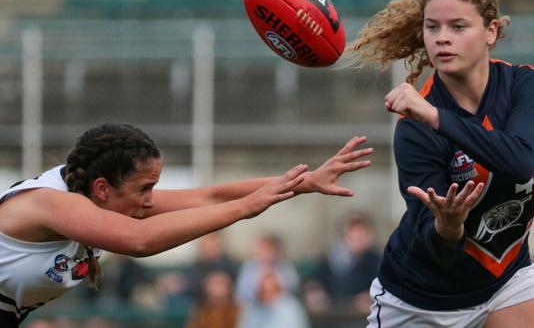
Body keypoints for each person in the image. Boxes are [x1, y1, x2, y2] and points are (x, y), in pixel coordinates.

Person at [347, 0, 534, 327]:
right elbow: (437, 249)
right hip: (420, 301)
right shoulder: (413, 128)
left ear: (491, 32)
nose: (442, 38)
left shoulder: (527, 86)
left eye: (458, 27)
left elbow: (521, 160)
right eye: (432, 27)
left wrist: (437, 117)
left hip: (506, 282)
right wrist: (450, 225)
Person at [0, 122, 373, 326]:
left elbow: (209, 197)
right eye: (144, 188)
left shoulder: (104, 199)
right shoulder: (51, 203)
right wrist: (246, 208)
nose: (151, 200)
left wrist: (303, 183)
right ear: (101, 188)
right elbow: (139, 240)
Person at [303, 212, 382, 314]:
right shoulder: (331, 256)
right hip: (332, 313)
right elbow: (315, 280)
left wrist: (371, 296)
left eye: (361, 233)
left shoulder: (376, 259)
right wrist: (314, 290)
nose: (357, 237)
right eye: (353, 233)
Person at [238, 267, 311, 328]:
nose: (268, 295)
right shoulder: (252, 309)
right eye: (263, 291)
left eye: (273, 290)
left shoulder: (291, 307)